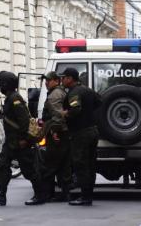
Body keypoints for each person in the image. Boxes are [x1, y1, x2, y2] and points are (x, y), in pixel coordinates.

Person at [0, 71, 46, 206]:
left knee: (29, 170)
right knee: (2, 166)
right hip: (11, 142)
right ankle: (1, 195)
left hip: (20, 142)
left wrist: (25, 140)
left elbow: (24, 121)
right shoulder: (10, 98)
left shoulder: (15, 99)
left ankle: (40, 195)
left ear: (5, 84)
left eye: (0, 84)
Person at [62, 67, 102, 206]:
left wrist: (65, 114)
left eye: (64, 77)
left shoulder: (74, 92)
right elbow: (99, 102)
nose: (62, 80)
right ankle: (88, 195)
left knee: (81, 164)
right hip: (92, 131)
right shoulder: (87, 90)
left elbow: (75, 109)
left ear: (70, 79)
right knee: (90, 164)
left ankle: (85, 196)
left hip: (81, 133)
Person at [40, 71, 72, 202]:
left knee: (51, 164)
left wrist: (55, 131)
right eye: (45, 80)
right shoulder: (59, 92)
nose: (46, 83)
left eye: (48, 80)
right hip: (62, 133)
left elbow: (58, 116)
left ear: (56, 81)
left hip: (57, 134)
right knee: (64, 165)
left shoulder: (55, 95)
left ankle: (48, 193)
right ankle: (65, 193)